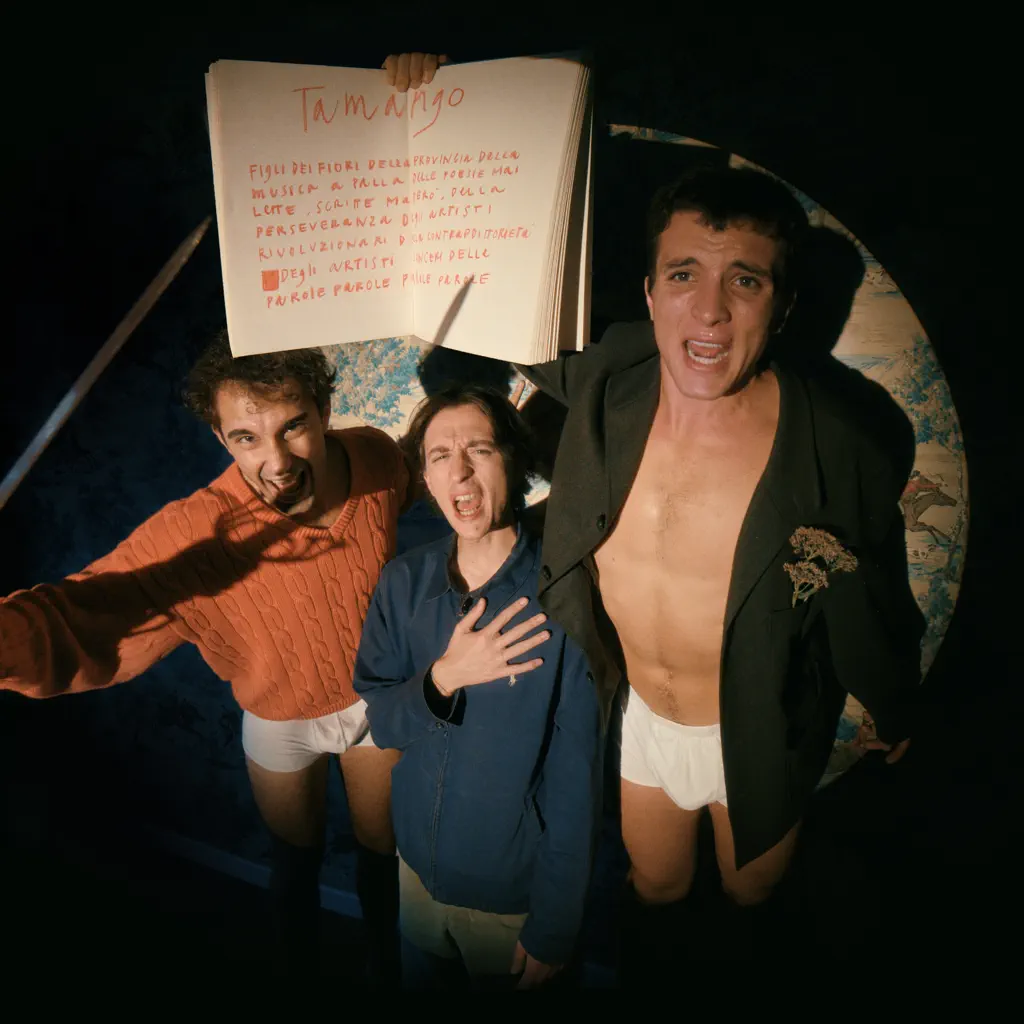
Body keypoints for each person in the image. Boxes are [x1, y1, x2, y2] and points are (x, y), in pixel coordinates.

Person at [0, 332, 408, 980]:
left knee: (384, 860)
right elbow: (85, 603)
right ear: (221, 438)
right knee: (294, 865)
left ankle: (388, 971)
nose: (276, 461)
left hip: (376, 702)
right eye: (246, 437)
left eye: (293, 425)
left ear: (325, 410)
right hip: (280, 719)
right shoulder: (197, 529)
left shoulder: (378, 457)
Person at [353, 383, 602, 990]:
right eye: (440, 455)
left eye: (479, 449)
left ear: (513, 461)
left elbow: (577, 780)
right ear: (426, 478)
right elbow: (382, 725)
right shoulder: (402, 582)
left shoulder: (562, 598)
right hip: (416, 877)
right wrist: (444, 677)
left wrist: (555, 923)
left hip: (510, 902)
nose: (459, 471)